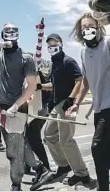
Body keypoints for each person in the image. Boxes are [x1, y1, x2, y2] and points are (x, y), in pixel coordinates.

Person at [0, 22, 53, 191]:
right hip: (1, 105)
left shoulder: (26, 58)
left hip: (17, 107)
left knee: (13, 150)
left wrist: (16, 105)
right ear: (2, 34)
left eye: (14, 30)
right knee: (16, 144)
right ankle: (41, 168)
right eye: (7, 30)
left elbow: (31, 85)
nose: (11, 33)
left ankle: (16, 184)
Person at [68, 12, 110, 191]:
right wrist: (77, 102)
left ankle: (103, 187)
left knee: (97, 146)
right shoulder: (83, 52)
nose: (87, 30)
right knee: (105, 147)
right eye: (84, 28)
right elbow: (86, 81)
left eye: (91, 26)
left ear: (98, 28)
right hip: (99, 107)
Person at [31, 33, 93, 191]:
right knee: (49, 135)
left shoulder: (68, 61)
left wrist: (71, 100)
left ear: (61, 43)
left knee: (66, 140)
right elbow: (53, 84)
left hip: (66, 104)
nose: (52, 46)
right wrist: (40, 87)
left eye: (54, 43)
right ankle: (64, 165)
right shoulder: (54, 63)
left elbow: (79, 80)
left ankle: (82, 173)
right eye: (49, 45)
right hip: (56, 105)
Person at [24, 70, 52, 175]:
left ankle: (45, 167)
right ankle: (28, 165)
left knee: (33, 141)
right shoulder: (34, 75)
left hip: (37, 114)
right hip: (38, 113)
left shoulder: (32, 76)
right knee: (29, 139)